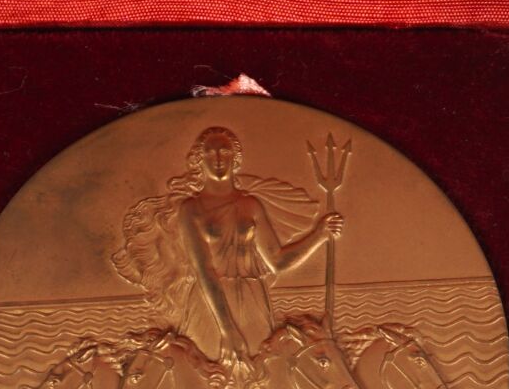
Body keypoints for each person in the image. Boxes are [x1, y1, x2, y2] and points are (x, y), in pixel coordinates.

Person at [114, 126, 343, 362]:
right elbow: (204, 270)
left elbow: (277, 261)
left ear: (236, 159)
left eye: (225, 152)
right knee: (207, 371)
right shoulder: (191, 209)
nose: (218, 159)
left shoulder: (251, 205)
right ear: (199, 160)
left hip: (252, 299)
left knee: (262, 370)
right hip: (210, 304)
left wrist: (319, 235)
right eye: (210, 153)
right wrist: (227, 329)